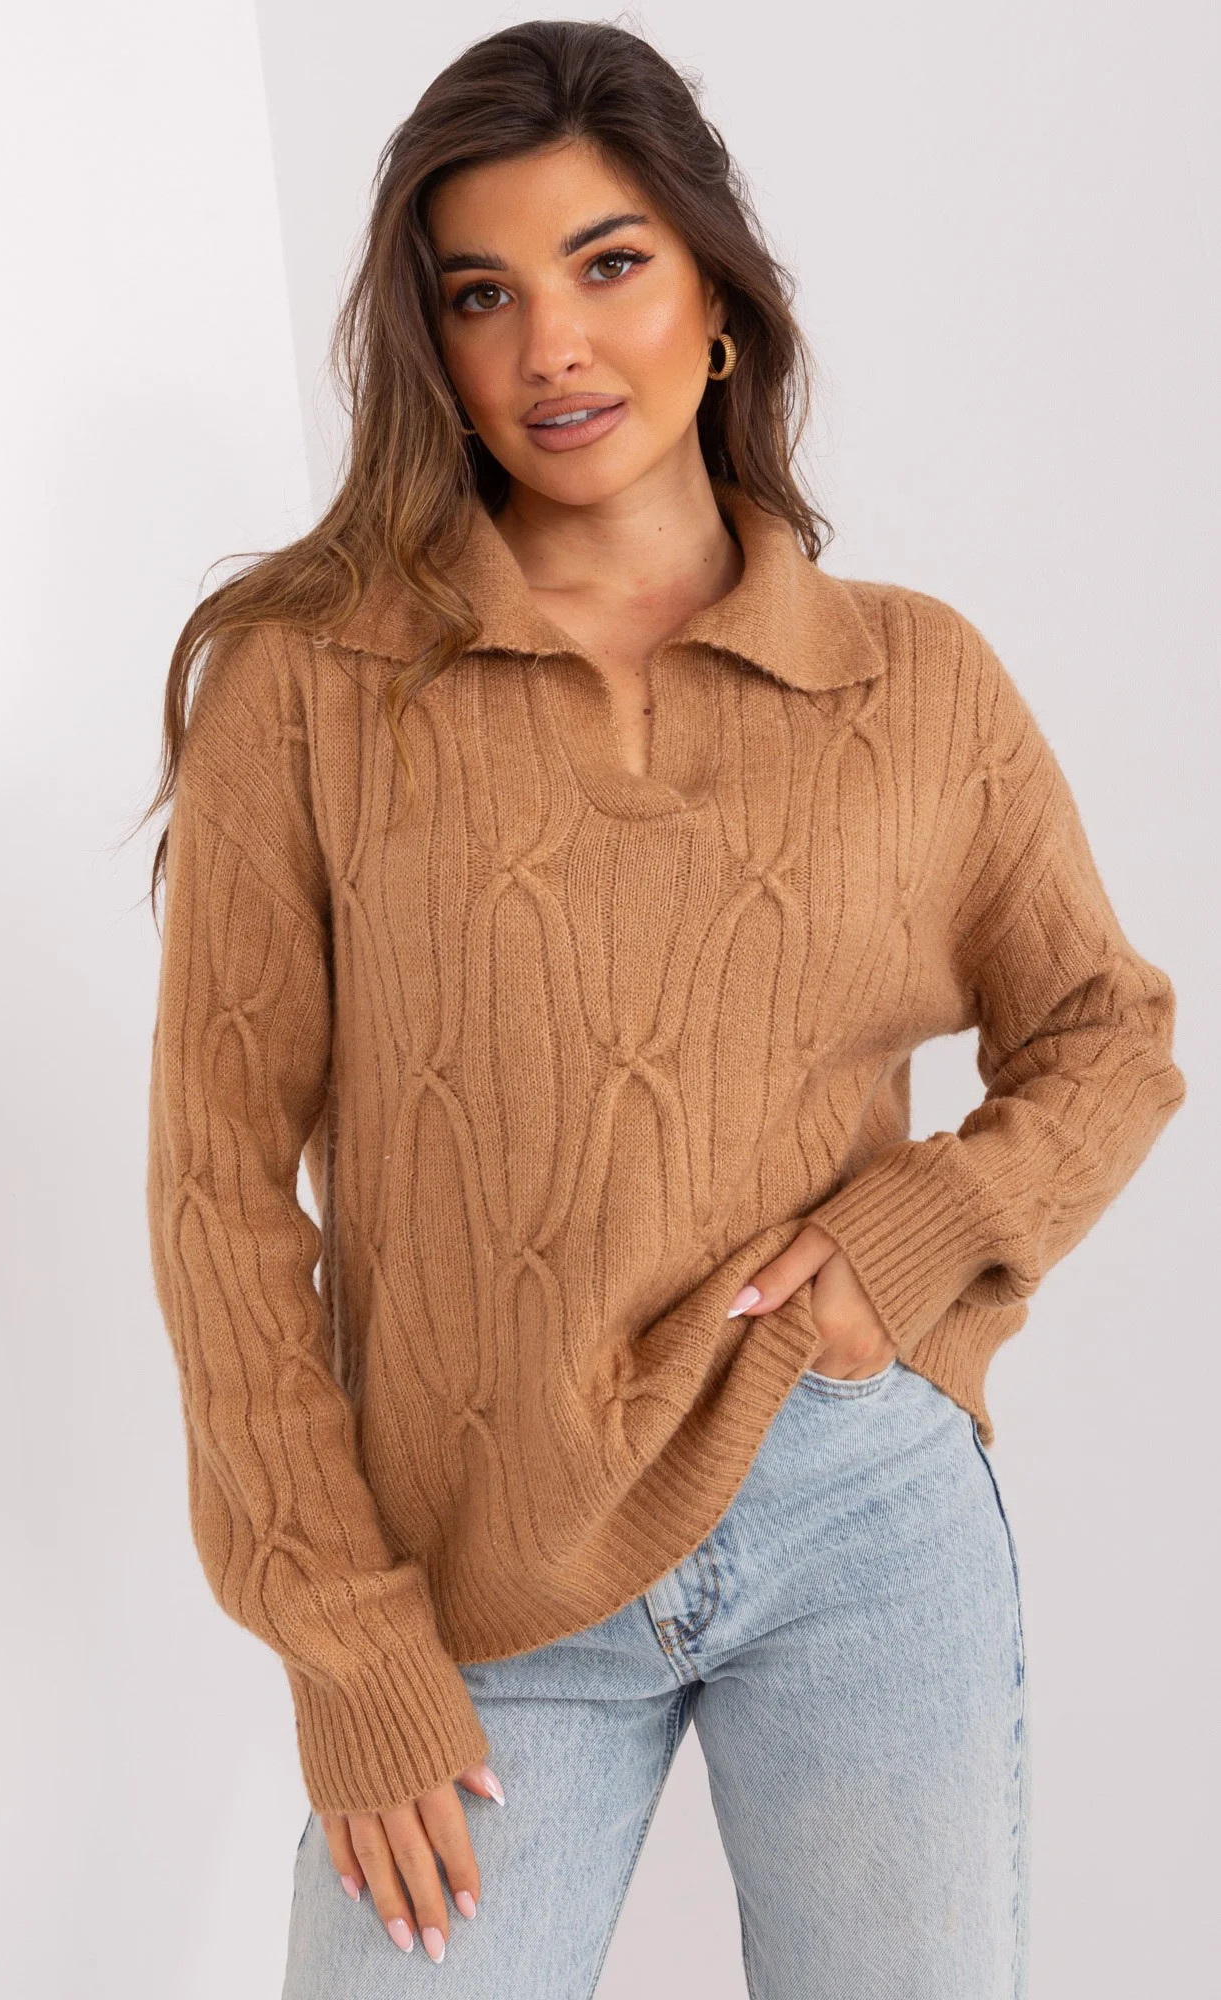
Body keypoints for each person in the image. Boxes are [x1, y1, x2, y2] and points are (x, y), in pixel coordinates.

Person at [139, 21, 1185, 1998]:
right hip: (474, 1568)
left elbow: (1105, 1033)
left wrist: (919, 1231)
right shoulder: (309, 688)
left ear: (716, 299)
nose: (552, 344)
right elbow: (217, 1191)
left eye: (608, 262)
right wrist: (346, 1644)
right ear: (432, 344)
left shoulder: (914, 682)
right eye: (483, 293)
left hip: (859, 1505)